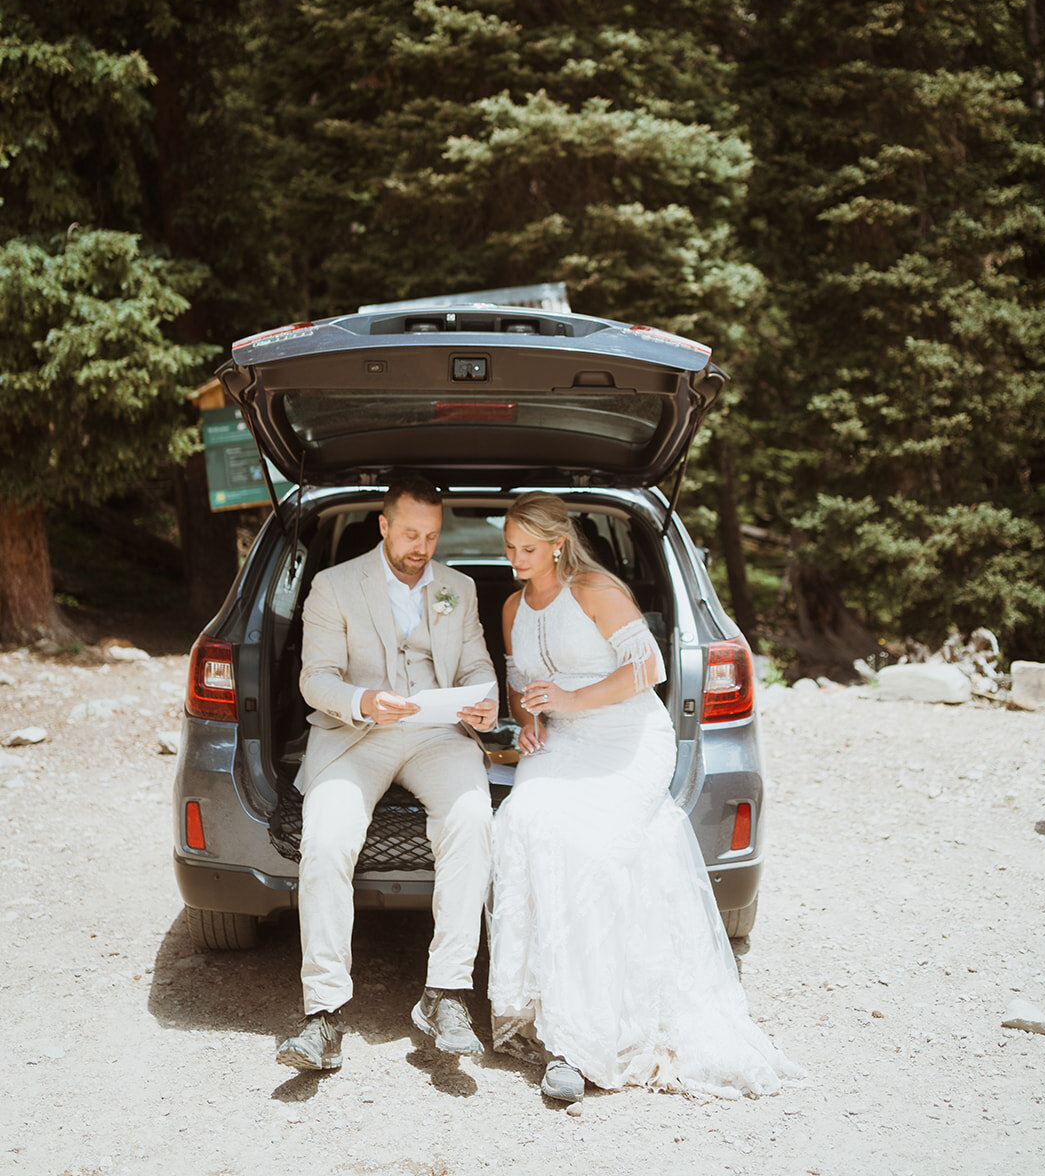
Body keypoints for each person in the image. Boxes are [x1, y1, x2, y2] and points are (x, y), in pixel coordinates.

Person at [487, 492, 801, 1104]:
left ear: (557, 543)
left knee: (592, 849)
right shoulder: (510, 606)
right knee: (524, 817)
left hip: (627, 740)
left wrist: (572, 703)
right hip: (562, 744)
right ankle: (537, 1004)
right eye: (509, 548)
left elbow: (649, 668)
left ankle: (580, 1041)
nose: (516, 560)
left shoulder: (596, 591)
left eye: (527, 549)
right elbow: (520, 683)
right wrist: (530, 719)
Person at [276, 473, 498, 1072]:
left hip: (436, 736)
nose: (420, 548)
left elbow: (479, 666)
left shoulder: (459, 588)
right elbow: (314, 677)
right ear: (383, 526)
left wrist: (483, 703)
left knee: (474, 820)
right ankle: (322, 1015)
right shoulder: (333, 584)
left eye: (430, 535)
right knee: (323, 841)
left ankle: (445, 994)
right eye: (408, 534)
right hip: (357, 735)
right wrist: (363, 701)